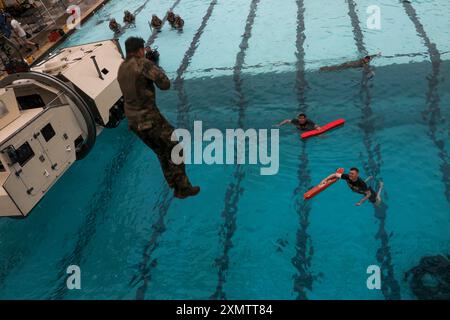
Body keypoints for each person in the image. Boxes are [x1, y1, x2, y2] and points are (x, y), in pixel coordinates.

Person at [117, 37, 200, 199]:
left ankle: (175, 186)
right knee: (175, 147)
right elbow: (165, 84)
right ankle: (183, 188)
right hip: (148, 119)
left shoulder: (121, 67)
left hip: (133, 123)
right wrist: (151, 63)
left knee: (162, 152)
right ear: (141, 50)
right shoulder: (142, 63)